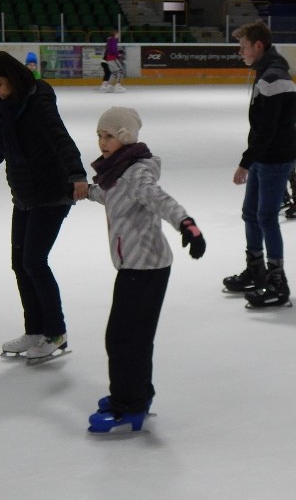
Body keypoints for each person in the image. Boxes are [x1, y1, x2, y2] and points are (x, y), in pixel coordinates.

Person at [0, 51, 89, 364]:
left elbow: (61, 139)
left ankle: (55, 332)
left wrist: (78, 175)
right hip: (25, 193)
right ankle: (35, 331)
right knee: (20, 263)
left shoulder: (39, 100)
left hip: (53, 191)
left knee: (34, 261)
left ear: (14, 77)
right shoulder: (4, 107)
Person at [84, 106, 206, 434]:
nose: (102, 142)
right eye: (99, 135)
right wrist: (85, 192)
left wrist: (187, 225)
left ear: (125, 137)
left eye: (108, 135)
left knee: (125, 339)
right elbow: (112, 196)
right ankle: (135, 395)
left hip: (147, 266)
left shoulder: (136, 172)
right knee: (129, 337)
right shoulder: (116, 171)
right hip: (134, 266)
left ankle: (130, 406)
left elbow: (160, 199)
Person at [223, 20, 296, 308]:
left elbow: (269, 130)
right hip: (263, 156)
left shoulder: (273, 77)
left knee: (266, 217)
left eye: (243, 47)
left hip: (275, 158)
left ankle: (278, 282)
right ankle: (257, 271)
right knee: (250, 214)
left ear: (258, 46)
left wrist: (245, 162)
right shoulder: (265, 73)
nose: (240, 52)